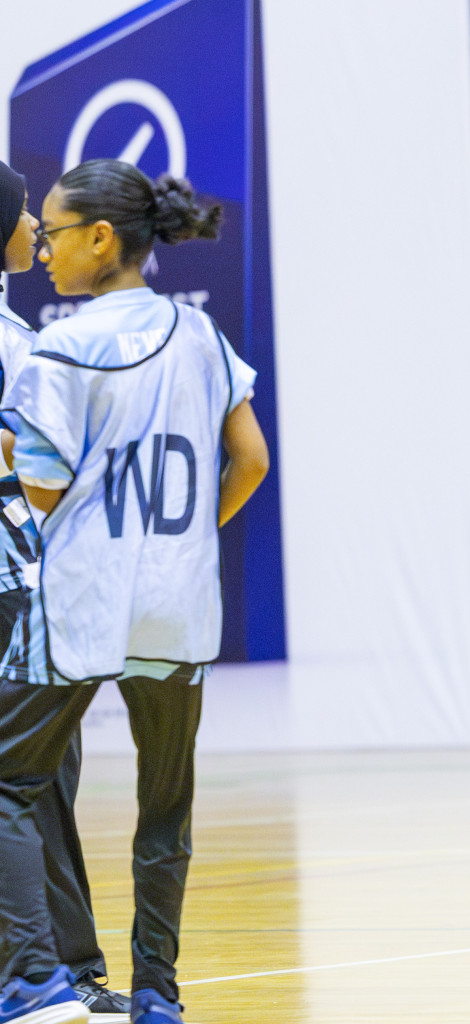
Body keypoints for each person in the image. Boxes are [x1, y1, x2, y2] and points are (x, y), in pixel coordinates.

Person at [0, 158, 269, 1024]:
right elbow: (252, 461)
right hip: (178, 602)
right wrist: (183, 538)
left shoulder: (61, 345)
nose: (45, 248)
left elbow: (41, 487)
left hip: (82, 598)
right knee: (165, 809)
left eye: (57, 231)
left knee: (7, 783)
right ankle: (157, 995)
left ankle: (35, 985)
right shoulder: (203, 336)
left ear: (102, 239)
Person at [0, 160, 131, 1020]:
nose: (35, 228)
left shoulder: (14, 329)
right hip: (21, 581)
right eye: (21, 211)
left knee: (34, 782)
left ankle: (60, 971)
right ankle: (48, 979)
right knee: (27, 781)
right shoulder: (15, 343)